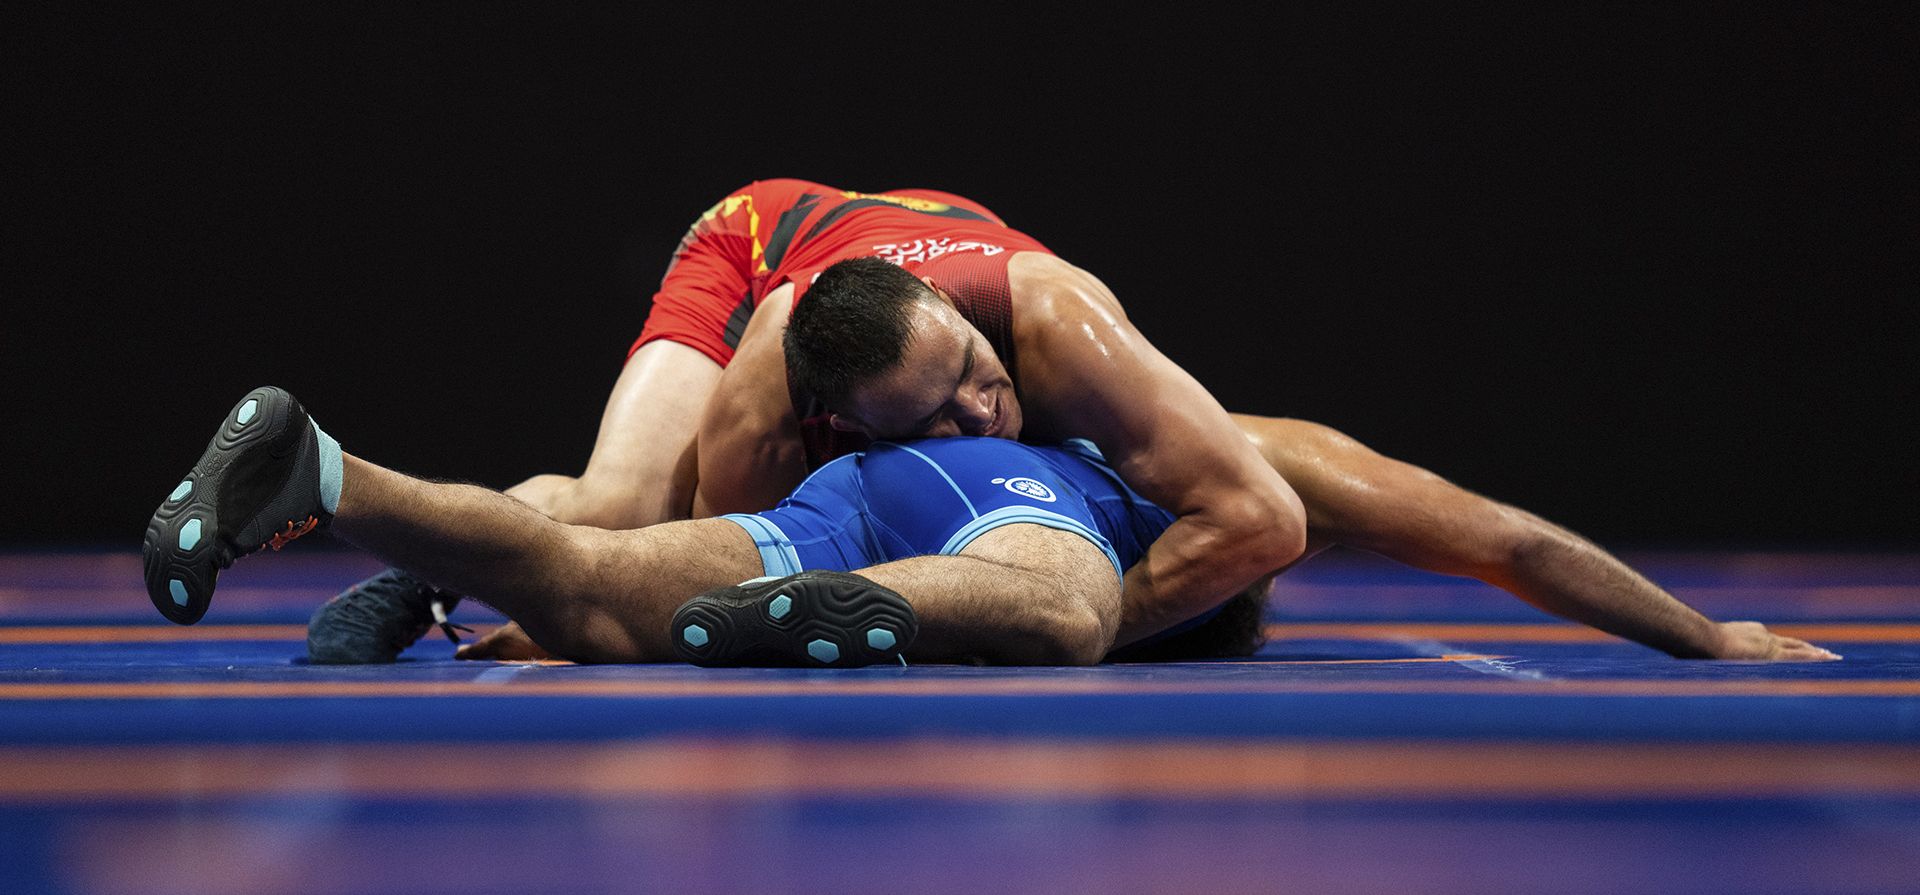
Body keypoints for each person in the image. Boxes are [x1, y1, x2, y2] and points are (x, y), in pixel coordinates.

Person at [309, 178, 1307, 663]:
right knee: (615, 506)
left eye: (979, 381)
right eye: (936, 415)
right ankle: (424, 564)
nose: (985, 414)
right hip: (756, 253)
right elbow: (696, 547)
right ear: (839, 424)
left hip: (868, 286)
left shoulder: (1072, 338)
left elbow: (1294, 514)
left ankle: (345, 489)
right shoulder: (766, 410)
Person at [145, 386, 1245, 666]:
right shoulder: (1153, 475)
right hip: (993, 500)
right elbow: (1282, 515)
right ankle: (877, 613)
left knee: (592, 588)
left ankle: (327, 473)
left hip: (839, 508)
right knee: (1069, 609)